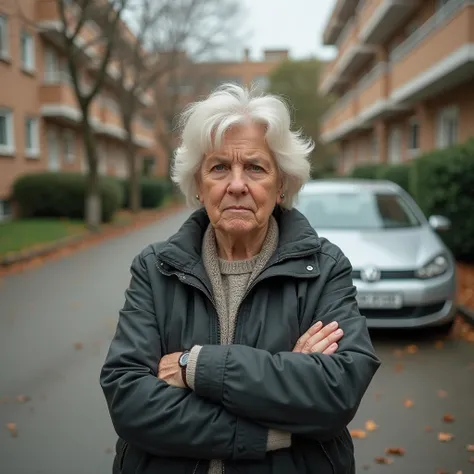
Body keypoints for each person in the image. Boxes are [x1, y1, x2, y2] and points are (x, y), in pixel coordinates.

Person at [100, 83, 381, 474]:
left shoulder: (323, 268)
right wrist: (276, 418)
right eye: (218, 168)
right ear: (198, 184)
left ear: (281, 184)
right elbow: (130, 401)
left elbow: (336, 392)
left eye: (254, 167)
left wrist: (194, 367)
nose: (236, 184)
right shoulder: (155, 268)